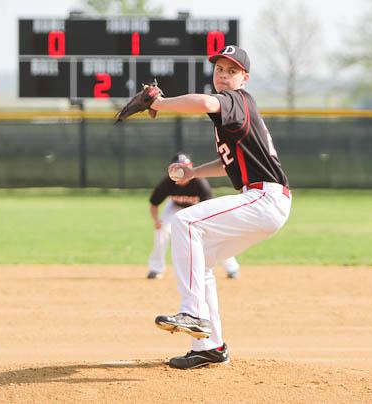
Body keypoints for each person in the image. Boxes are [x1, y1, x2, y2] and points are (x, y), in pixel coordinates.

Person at [118, 45, 291, 369]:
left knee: (184, 222)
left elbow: (204, 102)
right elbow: (231, 165)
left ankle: (194, 313)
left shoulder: (235, 100)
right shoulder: (235, 112)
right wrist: (194, 172)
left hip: (264, 199)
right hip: (265, 201)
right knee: (205, 262)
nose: (223, 75)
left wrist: (159, 102)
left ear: (245, 78)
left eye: (232, 71)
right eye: (219, 69)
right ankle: (209, 346)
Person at [147, 152, 240, 280]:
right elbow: (153, 204)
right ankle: (156, 268)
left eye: (184, 168)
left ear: (189, 168)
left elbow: (209, 208)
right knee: (161, 229)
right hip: (175, 207)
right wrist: (156, 220)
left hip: (198, 208)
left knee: (213, 235)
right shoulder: (168, 182)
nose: (181, 172)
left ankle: (232, 268)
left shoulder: (200, 183)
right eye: (178, 168)